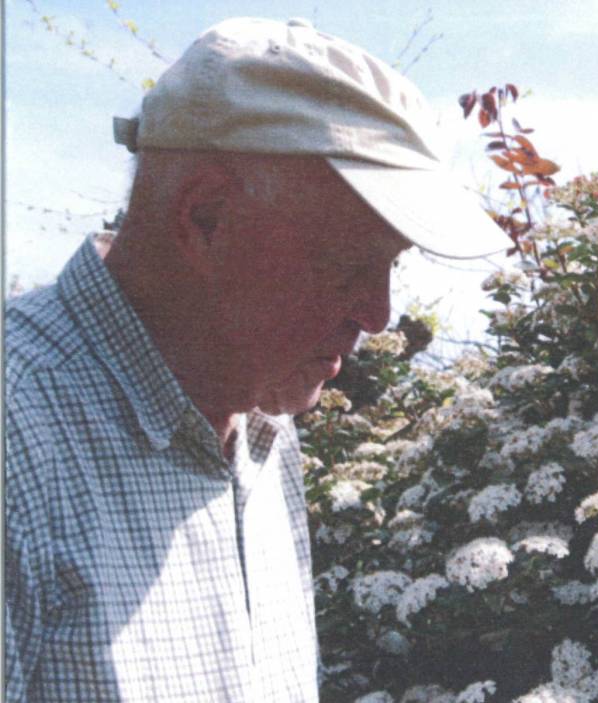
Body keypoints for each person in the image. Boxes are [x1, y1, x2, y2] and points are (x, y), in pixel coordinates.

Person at [4, 17, 508, 702]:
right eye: (347, 262)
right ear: (205, 218)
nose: (378, 314)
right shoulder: (19, 437)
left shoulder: (264, 431)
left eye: (390, 265)